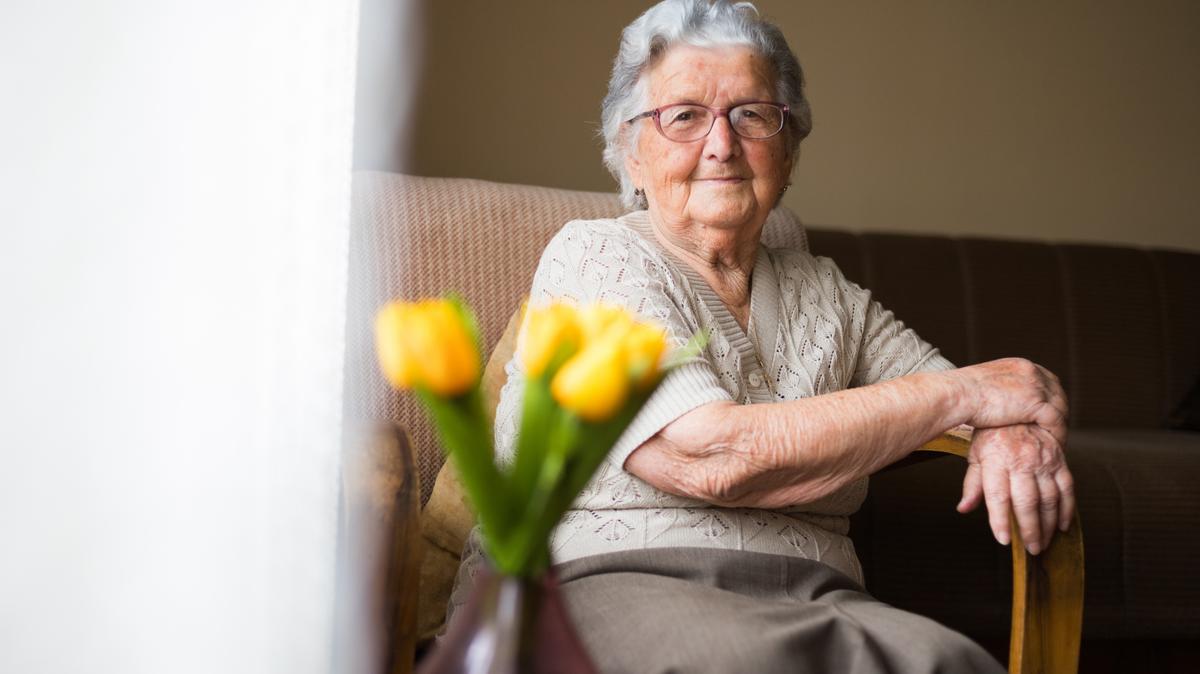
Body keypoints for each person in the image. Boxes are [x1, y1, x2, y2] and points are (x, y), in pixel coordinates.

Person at [450, 1, 1073, 671]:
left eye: (751, 114)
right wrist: (980, 392)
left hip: (819, 598)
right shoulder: (595, 259)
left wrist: (1012, 430)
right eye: (683, 116)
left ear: (789, 148)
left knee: (947, 659)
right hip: (603, 583)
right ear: (631, 155)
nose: (721, 144)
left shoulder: (826, 290)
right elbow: (708, 457)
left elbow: (971, 402)